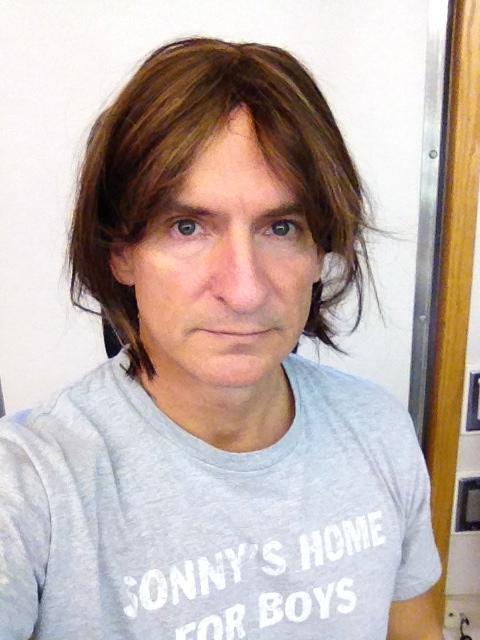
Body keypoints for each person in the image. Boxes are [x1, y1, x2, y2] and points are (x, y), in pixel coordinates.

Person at [0, 37, 443, 639]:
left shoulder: (379, 430)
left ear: (320, 251)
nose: (244, 290)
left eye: (281, 228)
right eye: (188, 227)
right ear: (120, 252)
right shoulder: (31, 487)